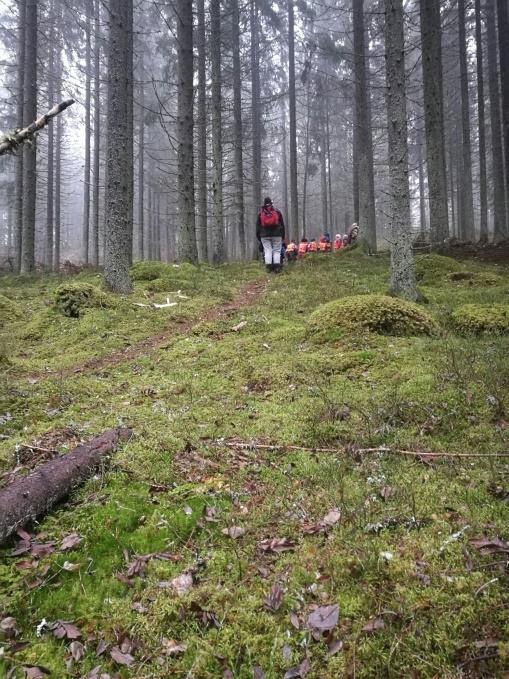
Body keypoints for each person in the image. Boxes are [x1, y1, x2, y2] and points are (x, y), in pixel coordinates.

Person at [256, 196, 286, 273]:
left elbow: (258, 226)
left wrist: (259, 237)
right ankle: (277, 267)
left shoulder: (260, 213)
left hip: (264, 235)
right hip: (277, 234)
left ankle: (268, 267)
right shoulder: (277, 212)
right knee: (276, 250)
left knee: (267, 250)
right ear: (271, 203)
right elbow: (282, 225)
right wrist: (282, 235)